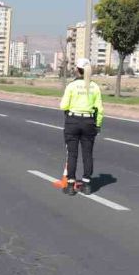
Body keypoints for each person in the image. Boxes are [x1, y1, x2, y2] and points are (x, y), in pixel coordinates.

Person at [59, 57, 104, 196]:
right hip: (89, 122)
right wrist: (98, 125)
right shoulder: (95, 87)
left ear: (77, 70)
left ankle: (71, 185)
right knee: (87, 154)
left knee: (72, 154)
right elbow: (100, 109)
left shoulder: (72, 86)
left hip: (73, 121)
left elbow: (63, 106)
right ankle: (87, 185)